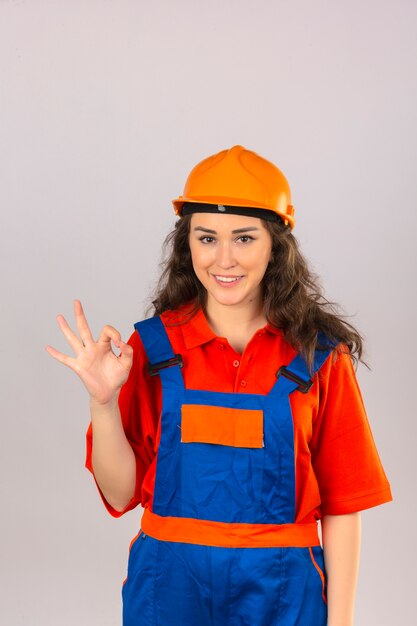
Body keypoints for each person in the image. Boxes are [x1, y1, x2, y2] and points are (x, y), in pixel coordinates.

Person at [46, 145, 393, 626]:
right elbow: (121, 492)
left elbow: (343, 506)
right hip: (169, 587)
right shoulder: (152, 348)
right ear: (187, 245)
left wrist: (343, 622)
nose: (223, 259)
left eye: (244, 238)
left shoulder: (318, 357)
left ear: (277, 245)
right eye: (206, 238)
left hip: (283, 591)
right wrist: (102, 403)